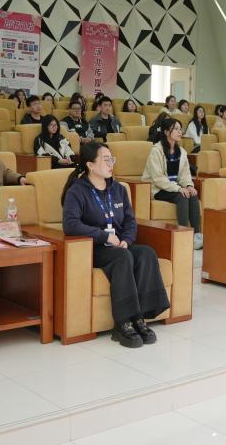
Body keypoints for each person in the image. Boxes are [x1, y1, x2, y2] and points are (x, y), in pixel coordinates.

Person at [62, 142, 169, 348]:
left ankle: (139, 318)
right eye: (106, 160)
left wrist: (126, 240)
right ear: (90, 165)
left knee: (146, 253)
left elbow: (130, 221)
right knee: (123, 257)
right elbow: (71, 224)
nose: (111, 164)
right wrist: (104, 236)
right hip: (93, 248)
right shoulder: (77, 191)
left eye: (112, 159)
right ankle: (123, 322)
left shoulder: (118, 189)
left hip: (119, 245)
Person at [141, 118, 202, 249]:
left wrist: (189, 186)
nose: (180, 132)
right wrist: (178, 189)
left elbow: (185, 174)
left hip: (174, 187)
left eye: (181, 129)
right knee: (182, 196)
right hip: (158, 189)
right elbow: (158, 178)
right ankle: (183, 235)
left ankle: (197, 235)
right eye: (176, 129)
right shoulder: (156, 151)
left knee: (192, 194)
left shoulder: (182, 152)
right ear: (166, 132)